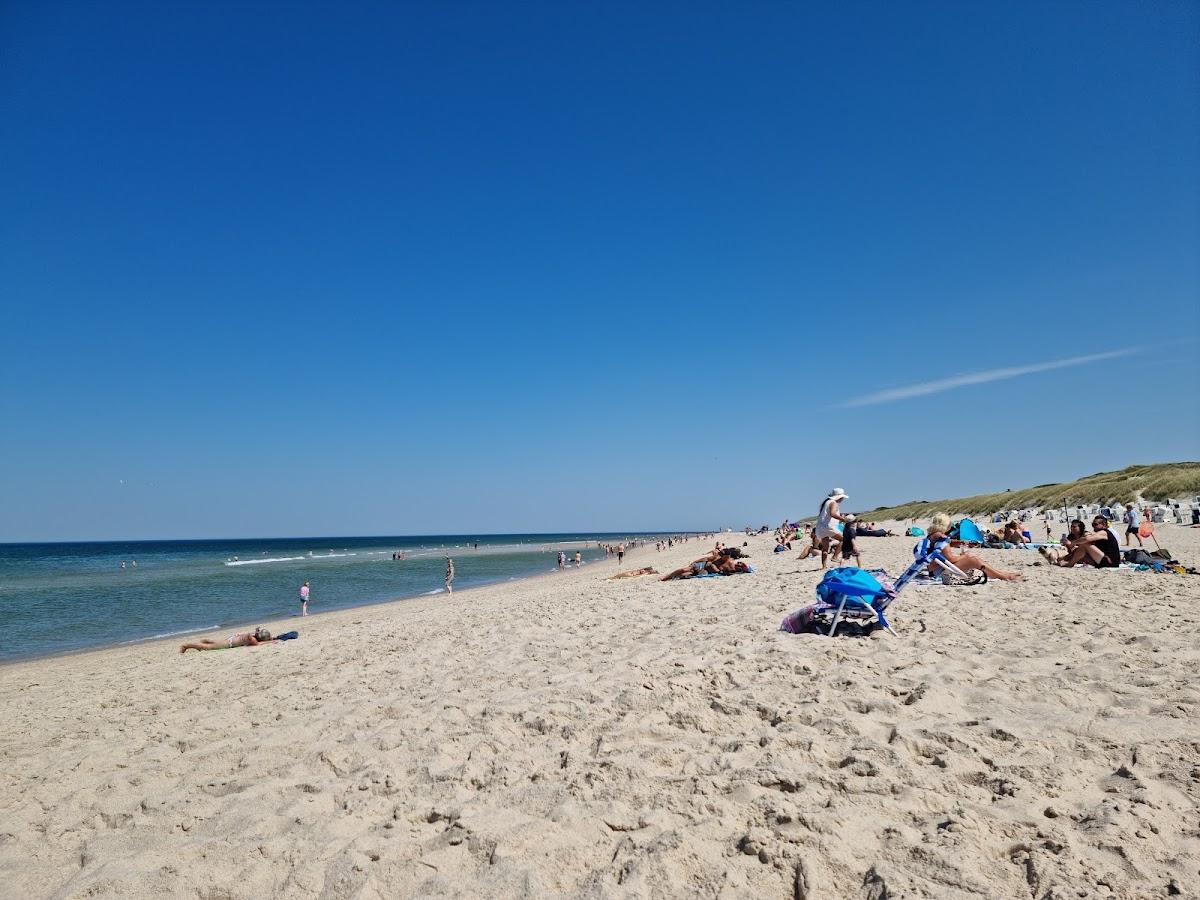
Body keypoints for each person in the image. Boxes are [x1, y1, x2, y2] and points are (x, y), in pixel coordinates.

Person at [924, 513, 1022, 581]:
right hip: (940, 573)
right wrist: (964, 556)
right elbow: (951, 558)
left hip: (935, 570)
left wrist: (961, 542)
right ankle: (1004, 577)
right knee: (974, 560)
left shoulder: (933, 535)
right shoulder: (942, 537)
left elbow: (949, 542)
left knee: (974, 559)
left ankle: (1002, 574)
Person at [1042, 515, 1122, 568]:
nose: (1093, 526)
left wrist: (1073, 543)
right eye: (1092, 524)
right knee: (1080, 549)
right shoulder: (1098, 533)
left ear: (1104, 524)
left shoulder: (1104, 532)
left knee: (1085, 545)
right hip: (1103, 560)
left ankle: (1069, 564)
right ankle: (1060, 560)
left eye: (1095, 524)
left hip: (1110, 562)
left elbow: (1087, 539)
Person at [815, 488, 852, 568]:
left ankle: (824, 566)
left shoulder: (826, 502)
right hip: (828, 527)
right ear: (839, 497)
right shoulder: (833, 503)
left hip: (820, 528)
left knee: (825, 548)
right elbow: (833, 513)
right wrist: (843, 519)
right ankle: (835, 557)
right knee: (845, 540)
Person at [181, 627, 275, 653]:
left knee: (215, 643)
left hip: (232, 639)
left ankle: (205, 640)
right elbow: (259, 644)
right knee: (208, 648)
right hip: (230, 644)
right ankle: (187, 645)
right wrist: (271, 641)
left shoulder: (251, 635)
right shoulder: (253, 640)